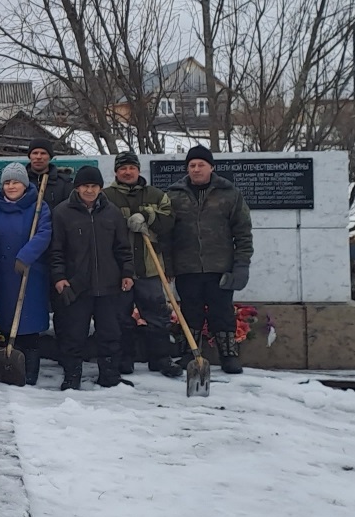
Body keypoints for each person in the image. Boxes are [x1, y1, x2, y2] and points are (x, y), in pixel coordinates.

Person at [165, 145, 253, 374]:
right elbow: (166, 234)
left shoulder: (229, 194)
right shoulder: (174, 195)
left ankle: (229, 356)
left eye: (201, 165)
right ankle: (189, 354)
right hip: (187, 267)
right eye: (192, 165)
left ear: (211, 167)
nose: (196, 169)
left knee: (222, 312)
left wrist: (242, 265)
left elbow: (243, 232)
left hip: (219, 267)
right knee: (190, 313)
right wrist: (168, 265)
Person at [48, 164, 133, 389]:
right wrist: (59, 277)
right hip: (76, 285)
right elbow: (55, 250)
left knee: (110, 334)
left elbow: (123, 247)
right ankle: (72, 376)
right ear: (77, 188)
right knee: (73, 334)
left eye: (94, 186)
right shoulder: (62, 212)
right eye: (85, 186)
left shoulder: (112, 212)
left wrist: (127, 272)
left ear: (100, 188)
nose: (89, 190)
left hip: (108, 285)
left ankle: (110, 376)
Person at [103, 151, 180, 378]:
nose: (127, 172)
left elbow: (169, 222)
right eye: (123, 168)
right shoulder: (106, 197)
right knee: (120, 318)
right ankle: (125, 359)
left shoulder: (156, 195)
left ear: (138, 170)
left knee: (158, 316)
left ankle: (161, 359)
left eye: (131, 168)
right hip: (119, 270)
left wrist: (148, 215)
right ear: (116, 172)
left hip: (149, 266)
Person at [0, 162, 53, 383]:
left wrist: (26, 255)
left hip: (30, 272)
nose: (11, 186)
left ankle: (31, 369)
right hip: (5, 273)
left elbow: (44, 233)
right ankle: (12, 365)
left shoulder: (38, 207)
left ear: (24, 184)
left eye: (15, 182)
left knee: (29, 323)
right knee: (7, 322)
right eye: (7, 182)